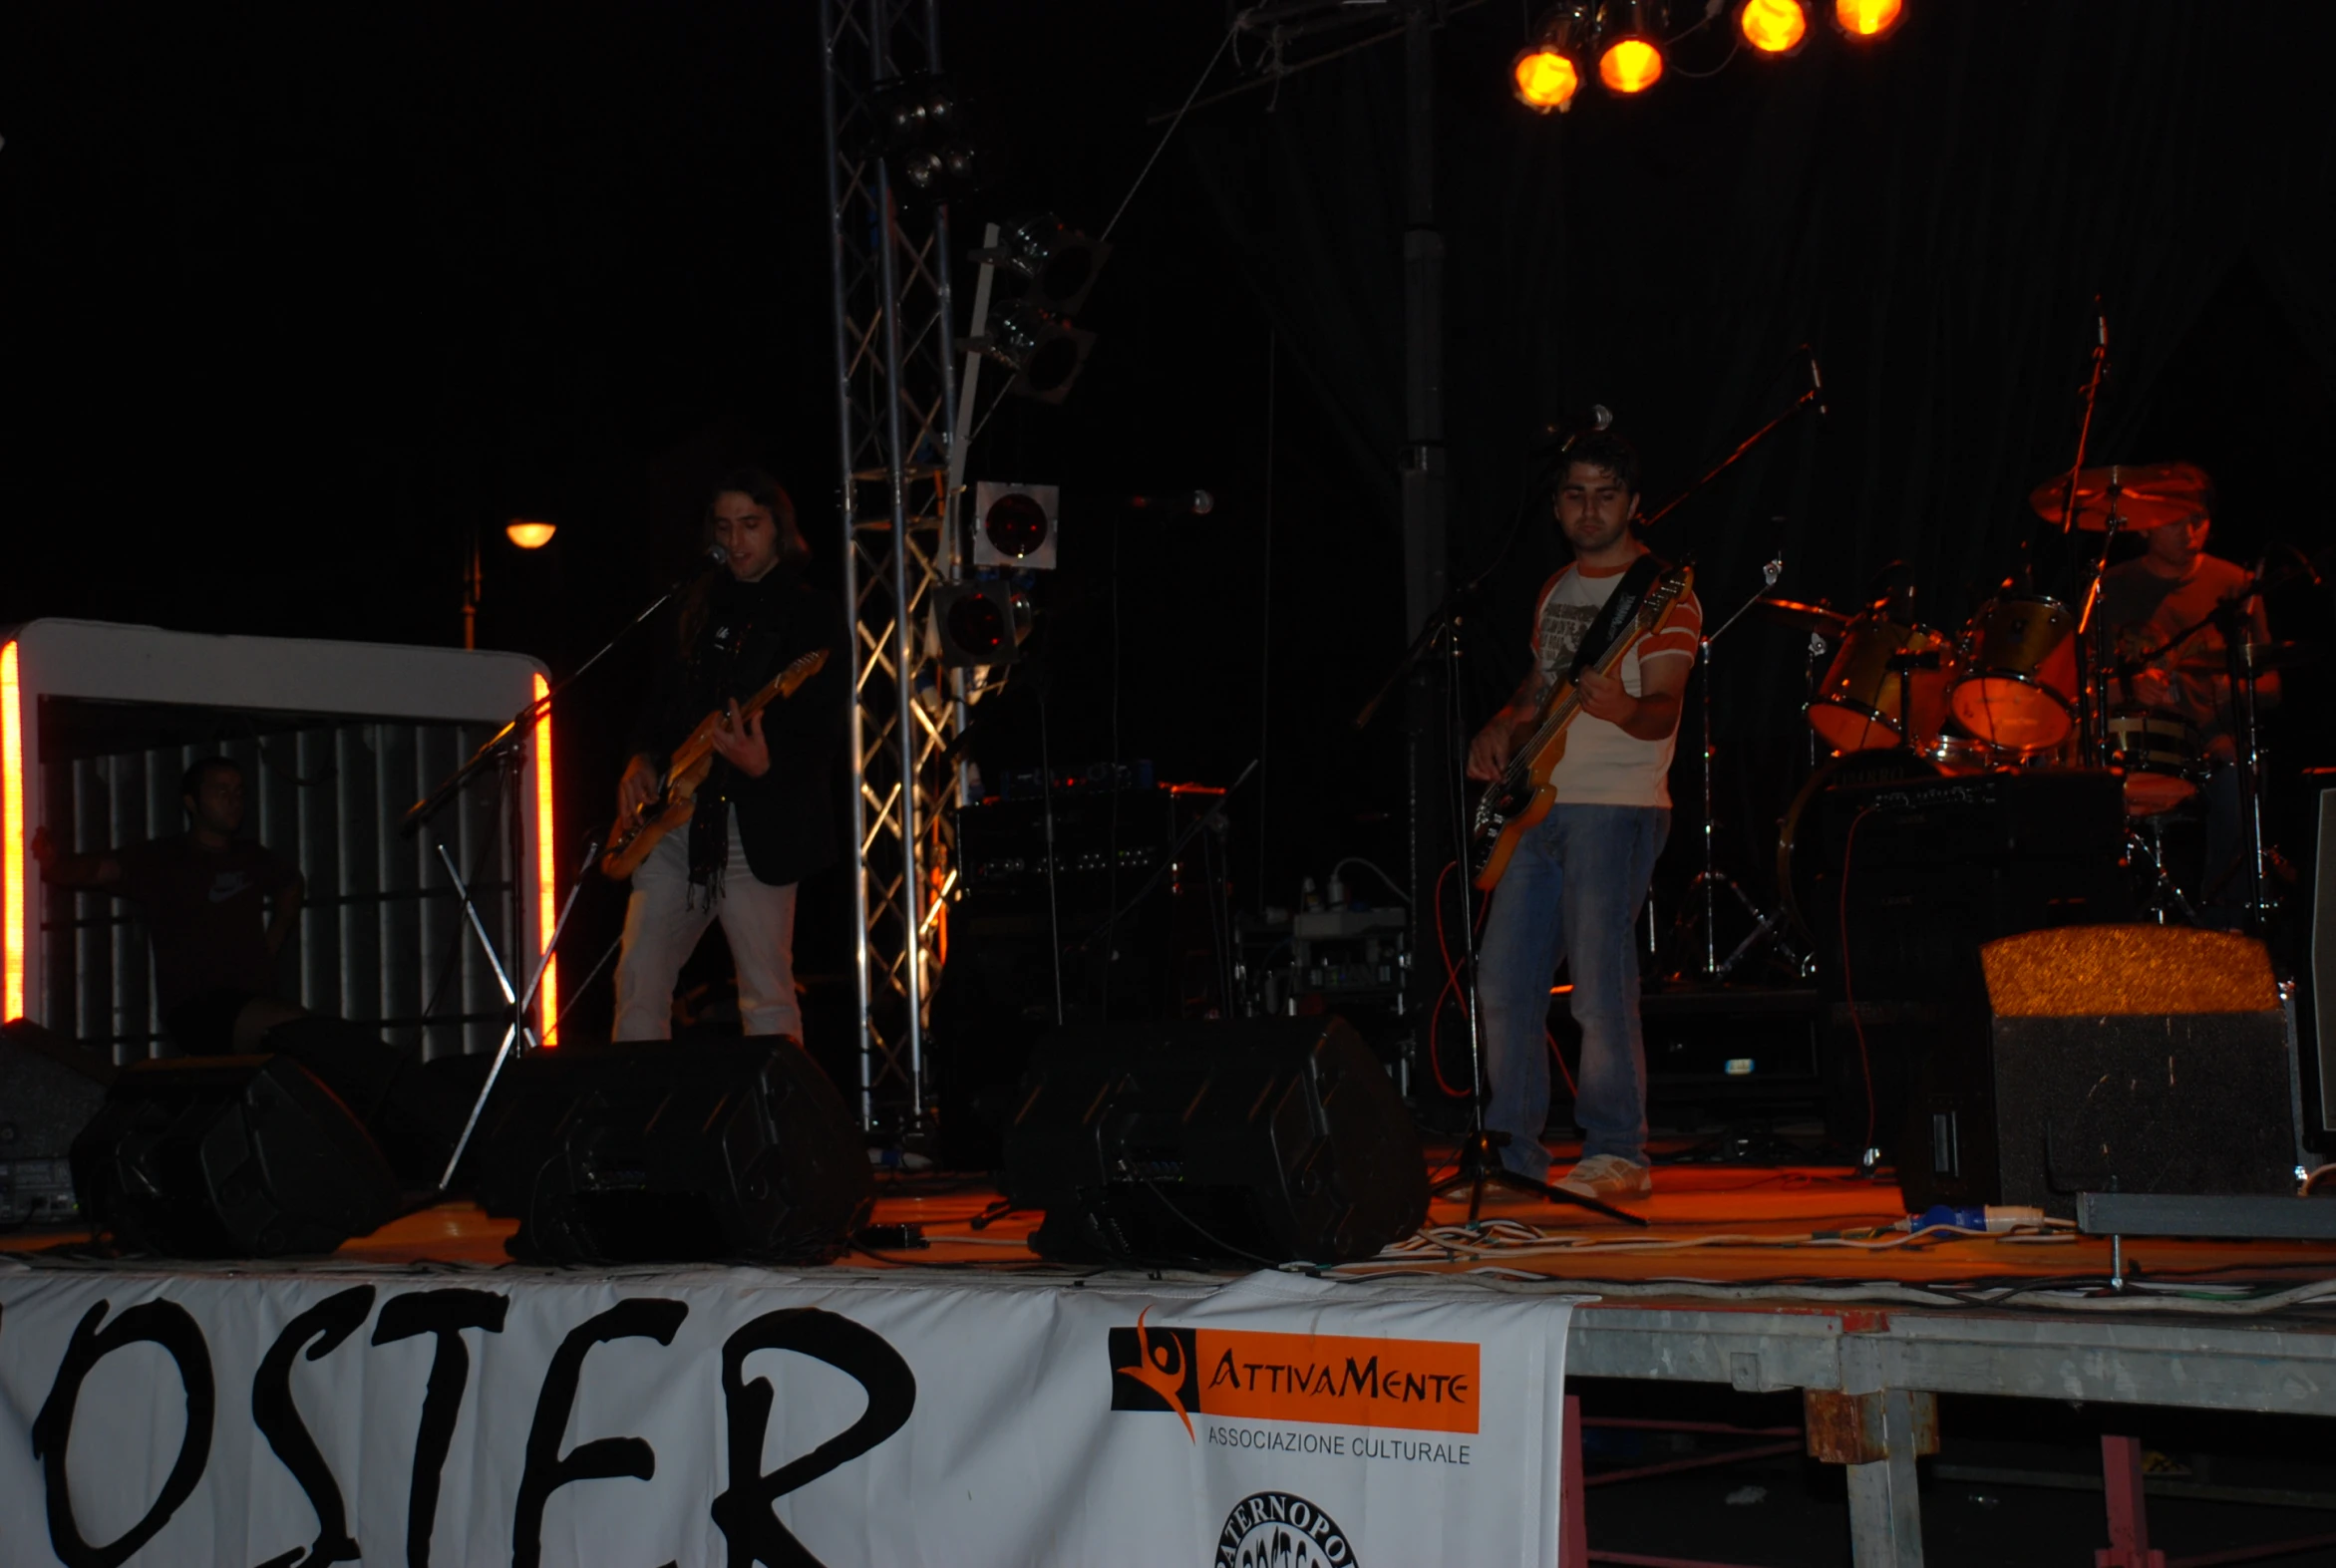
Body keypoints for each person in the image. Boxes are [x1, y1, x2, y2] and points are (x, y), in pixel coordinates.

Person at [1465, 432, 1701, 1203]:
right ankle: (1514, 1152)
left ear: (1633, 504)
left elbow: (1662, 711)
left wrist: (1624, 706)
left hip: (1617, 807)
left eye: (1605, 493)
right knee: (1501, 982)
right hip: (1540, 806)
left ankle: (1617, 1149)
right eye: (1574, 493)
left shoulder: (1663, 591)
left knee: (1599, 987)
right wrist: (1502, 723)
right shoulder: (1556, 589)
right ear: (1557, 505)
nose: (1588, 508)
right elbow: (1538, 686)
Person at [611, 468, 847, 1042]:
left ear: (778, 530)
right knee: (638, 979)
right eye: (725, 526)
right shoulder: (698, 605)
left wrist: (766, 763)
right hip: (676, 821)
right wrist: (640, 759)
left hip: (756, 829)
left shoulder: (809, 612)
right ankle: (636, 1121)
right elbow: (661, 700)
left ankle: (780, 1127)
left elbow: (822, 725)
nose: (736, 541)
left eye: (750, 525)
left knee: (766, 992)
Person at [2094, 474, 2277, 926]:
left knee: (2241, 780)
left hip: (2207, 746)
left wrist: (2234, 691)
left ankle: (2225, 929)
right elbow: (2078, 691)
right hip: (2128, 744)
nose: (2191, 532)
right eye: (2177, 521)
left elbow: (2272, 687)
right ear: (2143, 527)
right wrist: (2129, 688)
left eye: (2200, 520)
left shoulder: (2235, 585)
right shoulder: (2109, 588)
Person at [32, 755, 305, 1054]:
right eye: (221, 791)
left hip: (251, 1001)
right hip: (198, 1008)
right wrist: (53, 864)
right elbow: (101, 870)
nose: (234, 800)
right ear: (192, 802)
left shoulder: (251, 856)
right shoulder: (166, 858)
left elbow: (291, 883)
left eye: (239, 791)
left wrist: (273, 940)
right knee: (294, 1029)